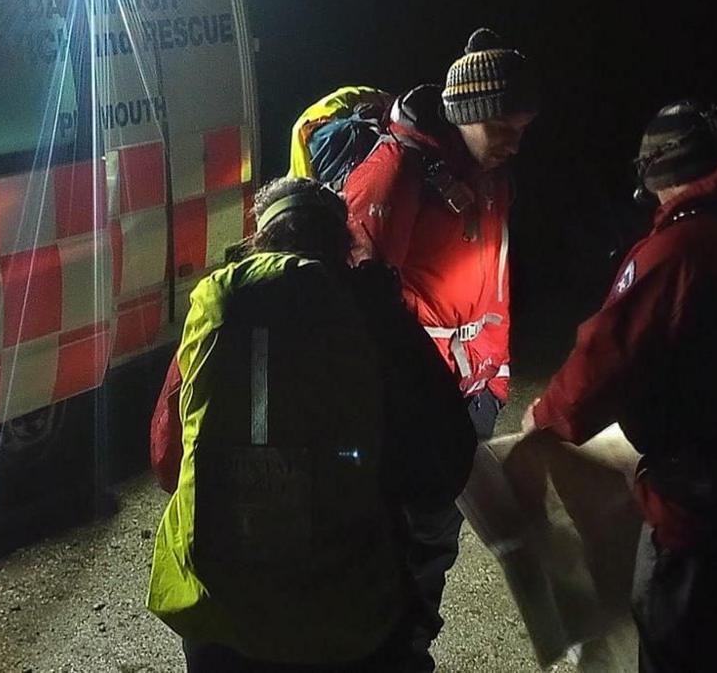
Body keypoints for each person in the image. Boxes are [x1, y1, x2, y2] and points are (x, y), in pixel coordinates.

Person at [526, 101, 717, 673]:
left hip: (704, 504)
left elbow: (605, 355)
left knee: (679, 652)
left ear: (660, 177)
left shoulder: (684, 245)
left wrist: (545, 416)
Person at [148, 176, 475, 672]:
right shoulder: (373, 314)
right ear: (342, 242)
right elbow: (443, 463)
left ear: (260, 239)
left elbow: (166, 459)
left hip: (221, 617)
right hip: (349, 621)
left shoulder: (220, 309)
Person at [339, 27, 537, 664]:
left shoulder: (488, 173)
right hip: (414, 400)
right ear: (469, 114)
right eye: (505, 124)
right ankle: (395, 655)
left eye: (522, 126)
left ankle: (405, 648)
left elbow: (495, 283)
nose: (515, 138)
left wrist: (495, 380)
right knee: (410, 539)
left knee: (436, 539)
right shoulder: (395, 175)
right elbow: (362, 307)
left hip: (466, 392)